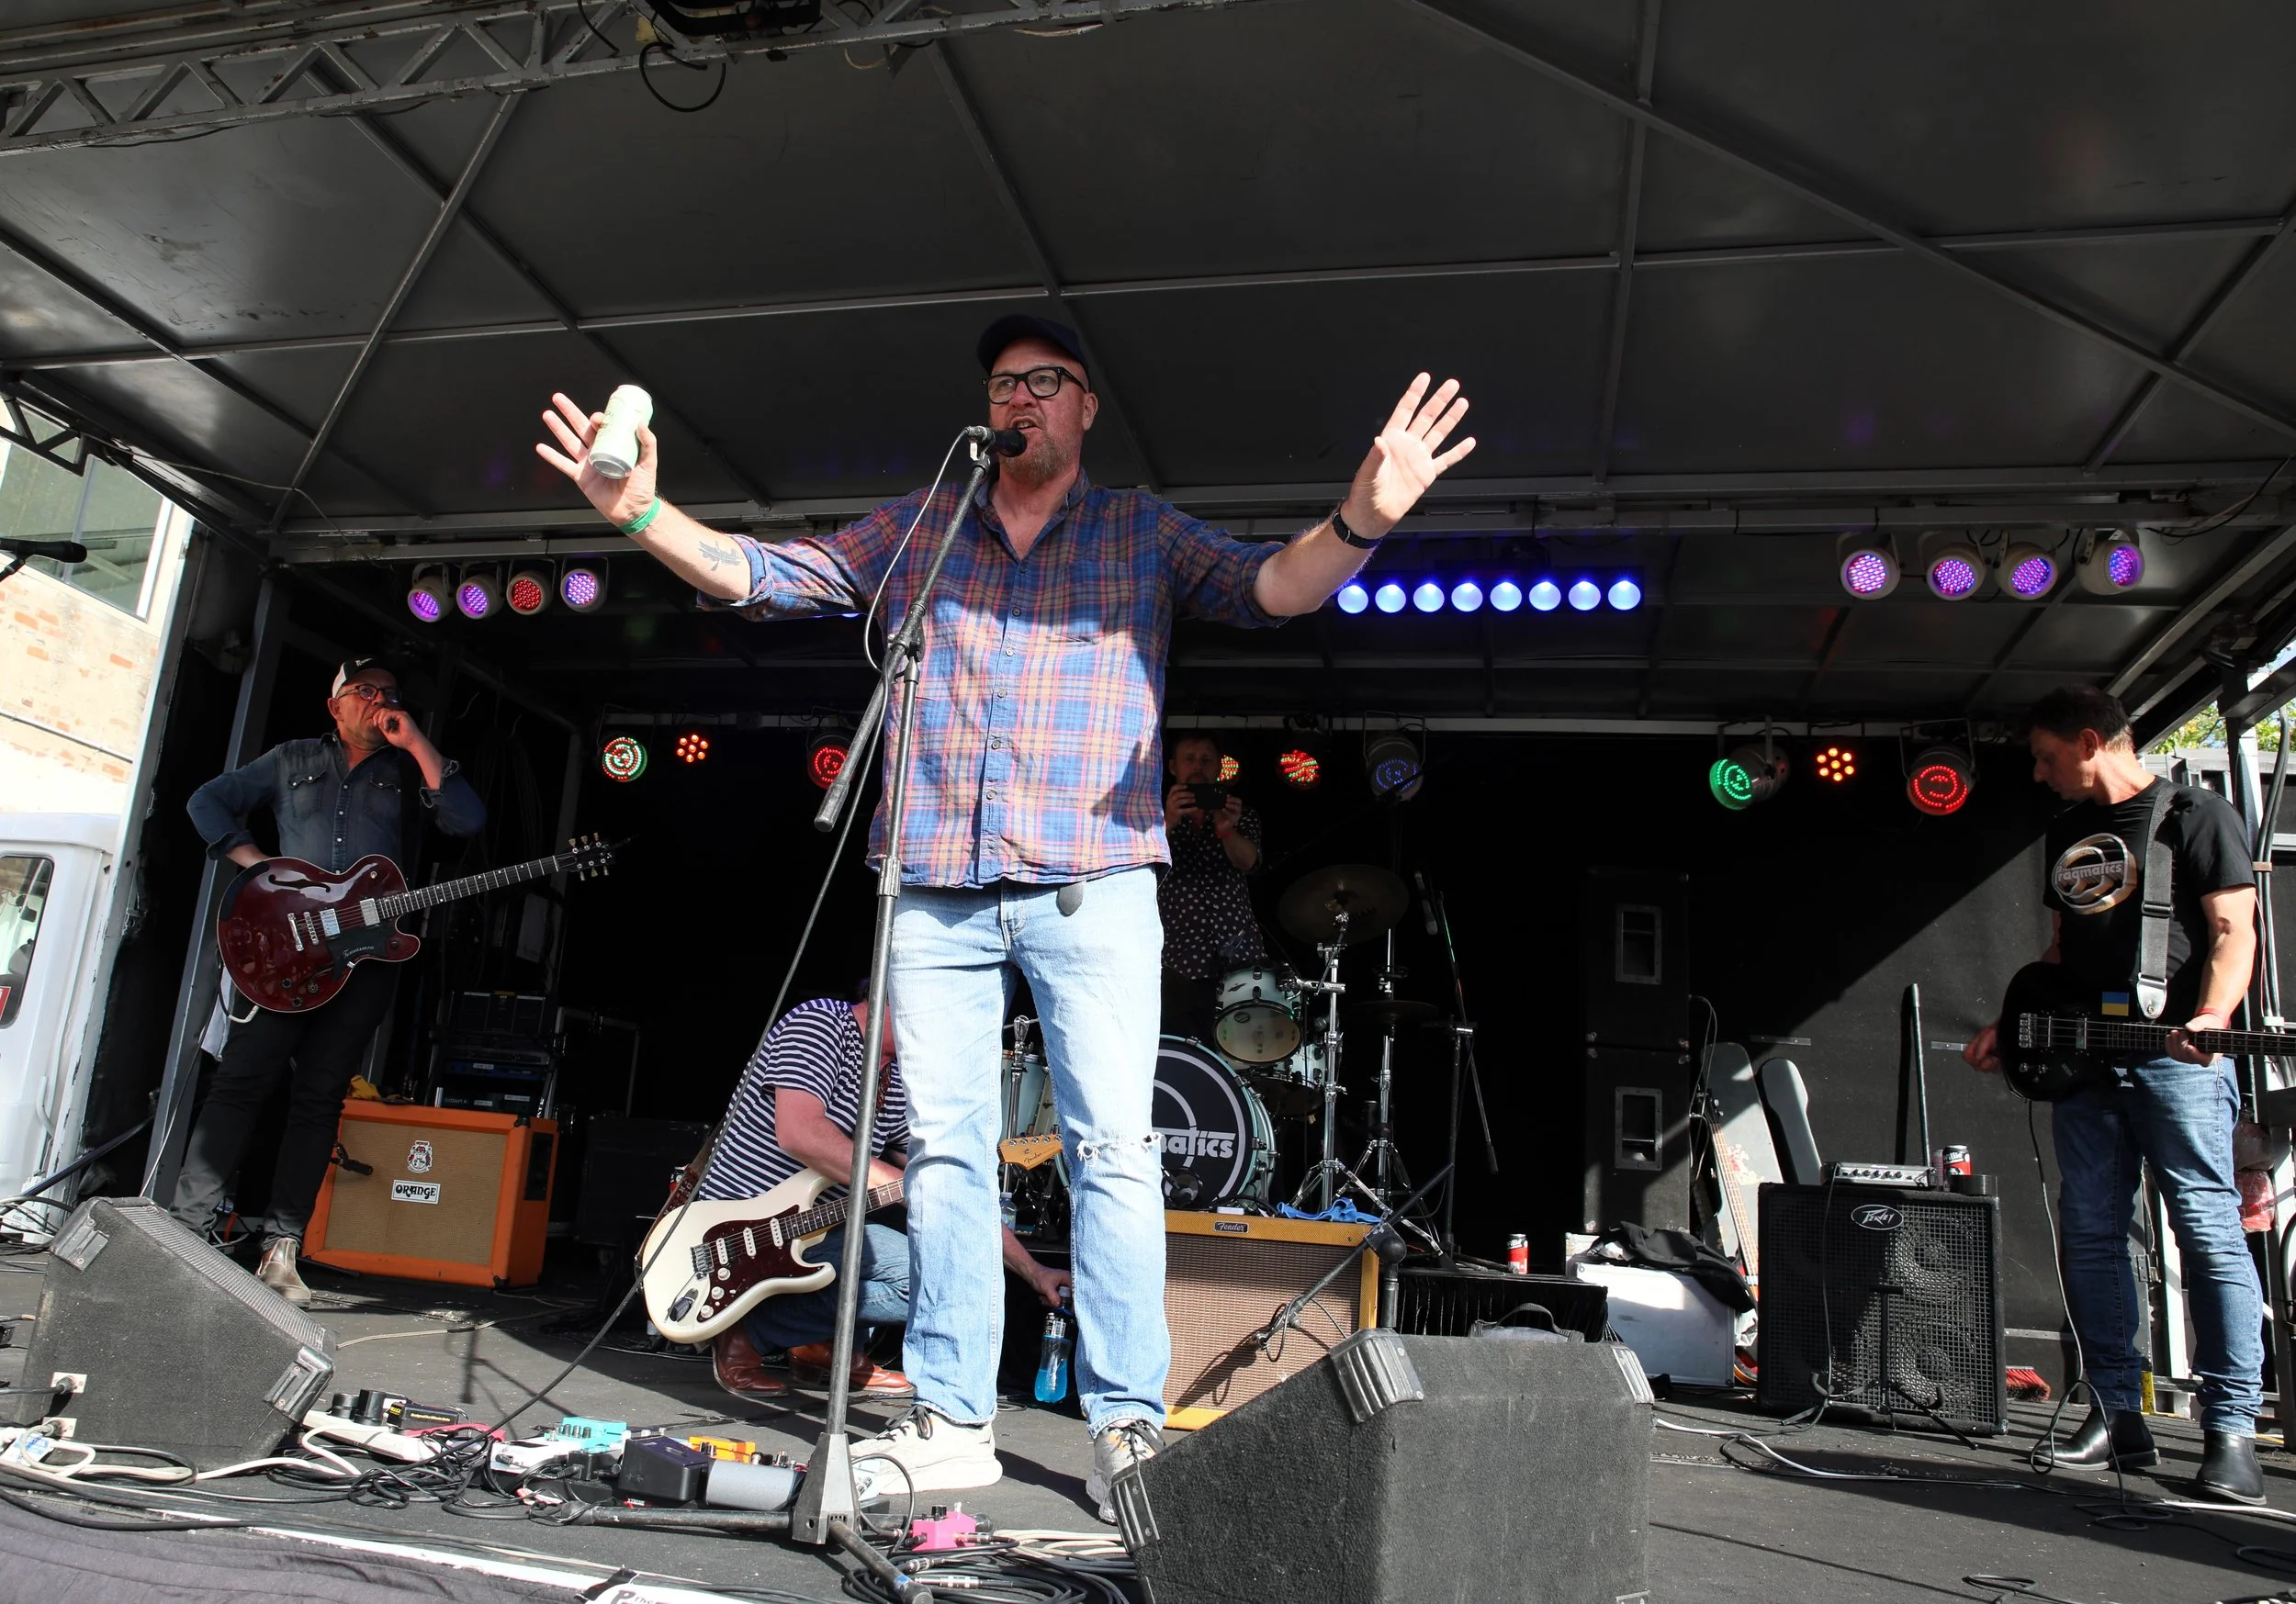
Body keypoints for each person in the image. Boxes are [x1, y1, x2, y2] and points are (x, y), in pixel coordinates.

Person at [535, 313, 1473, 1518]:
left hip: (1094, 884)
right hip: (935, 884)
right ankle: (952, 1420)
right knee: (944, 1151)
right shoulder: (926, 527)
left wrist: (1368, 515)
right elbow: (769, 576)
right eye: (1002, 382)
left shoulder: (1139, 528)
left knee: (1116, 1153)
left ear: (1085, 408)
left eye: (1044, 380)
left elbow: (1272, 588)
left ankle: (1128, 1427)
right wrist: (640, 517)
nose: (1018, 396)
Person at [1964, 685, 2265, 1503]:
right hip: (2087, 1061)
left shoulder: (2194, 817)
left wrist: (2212, 1013)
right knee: (2093, 1231)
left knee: (2205, 1227)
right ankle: (2114, 1409)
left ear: (2092, 740)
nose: (2038, 771)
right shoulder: (2068, 830)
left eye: (2048, 755)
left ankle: (2230, 1428)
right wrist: (2009, 1022)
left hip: (2174, 1059)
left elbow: (2236, 929)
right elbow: (2063, 948)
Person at [172, 658, 486, 1302]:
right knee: (241, 1081)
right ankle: (185, 1229)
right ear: (334, 703)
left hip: (363, 960)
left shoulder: (406, 771)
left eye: (389, 692)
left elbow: (467, 820)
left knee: (319, 1096)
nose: (378, 700)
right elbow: (207, 800)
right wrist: (257, 863)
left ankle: (281, 1246)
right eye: (364, 691)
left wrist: (417, 740)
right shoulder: (291, 759)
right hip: (286, 951)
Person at [703, 986, 1071, 1404]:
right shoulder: (821, 1022)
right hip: (736, 1224)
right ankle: (749, 1336)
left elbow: (951, 1191)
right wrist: (904, 1184)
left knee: (941, 1277)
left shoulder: (893, 1080)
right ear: (898, 998)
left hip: (815, 1230)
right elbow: (799, 1133)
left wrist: (1033, 1269)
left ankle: (798, 1342)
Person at [1158, 732, 1265, 1043]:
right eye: (1188, 759)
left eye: (1206, 760)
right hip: (1175, 963)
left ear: (1219, 767)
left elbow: (1248, 862)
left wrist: (1225, 830)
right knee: (1178, 1055)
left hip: (1238, 960)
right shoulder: (1153, 818)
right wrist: (1168, 821)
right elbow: (1136, 866)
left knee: (1240, 1055)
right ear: (1172, 766)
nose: (1197, 767)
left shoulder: (1240, 814)